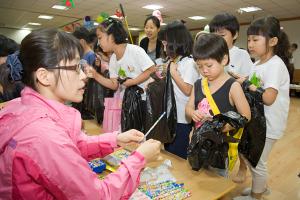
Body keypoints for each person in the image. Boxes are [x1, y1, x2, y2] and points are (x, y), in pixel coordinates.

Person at [0, 28, 161, 199]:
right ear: (44, 76)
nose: (84, 75)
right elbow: (97, 196)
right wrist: (139, 159)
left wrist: (115, 139)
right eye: (76, 68)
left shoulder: (22, 106)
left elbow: (69, 147)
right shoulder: (43, 136)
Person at [233, 16, 290, 200]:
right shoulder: (257, 64)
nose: (250, 44)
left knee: (257, 162)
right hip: (259, 122)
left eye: (255, 39)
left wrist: (248, 82)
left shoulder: (275, 65)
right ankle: (261, 188)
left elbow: (268, 97)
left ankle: (256, 195)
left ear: (273, 41)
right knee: (251, 157)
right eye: (249, 39)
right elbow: (255, 87)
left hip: (270, 125)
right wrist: (243, 80)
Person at [185, 34, 251, 176]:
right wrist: (192, 113)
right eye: (200, 66)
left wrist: (223, 127)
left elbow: (246, 116)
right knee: (196, 179)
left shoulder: (232, 86)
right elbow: (188, 108)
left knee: (216, 185)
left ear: (224, 60)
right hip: (197, 143)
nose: (204, 70)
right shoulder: (198, 84)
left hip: (219, 149)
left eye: (209, 65)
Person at [162, 20, 199, 159]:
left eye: (166, 43)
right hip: (171, 116)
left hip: (183, 119)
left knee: (179, 156)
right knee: (169, 153)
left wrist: (173, 73)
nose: (164, 47)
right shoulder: (175, 61)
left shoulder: (189, 63)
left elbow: (187, 89)